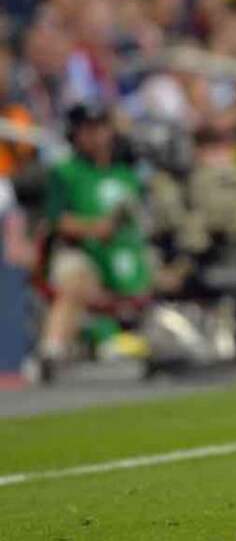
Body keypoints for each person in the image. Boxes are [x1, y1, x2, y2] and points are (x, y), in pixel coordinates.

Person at [40, 104, 153, 379]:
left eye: (100, 128)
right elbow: (55, 220)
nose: (95, 136)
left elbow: (143, 219)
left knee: (160, 272)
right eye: (87, 130)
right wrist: (93, 228)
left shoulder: (127, 173)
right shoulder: (64, 172)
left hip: (125, 249)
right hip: (81, 250)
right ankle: (51, 350)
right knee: (74, 280)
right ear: (75, 134)